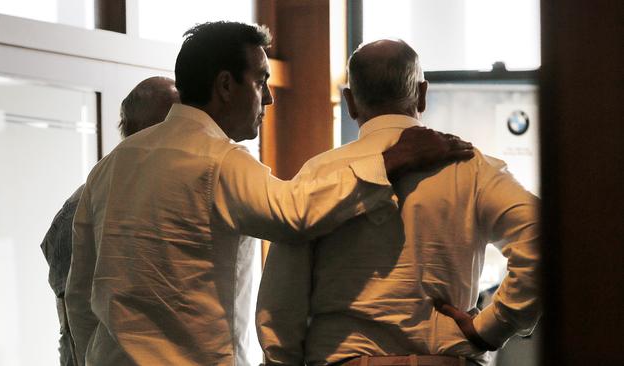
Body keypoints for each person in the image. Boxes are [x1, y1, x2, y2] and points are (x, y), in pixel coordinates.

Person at [65, 23, 473, 366]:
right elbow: (296, 215)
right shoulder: (219, 161)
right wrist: (390, 161)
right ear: (226, 85)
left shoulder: (110, 166)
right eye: (261, 81)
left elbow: (80, 291)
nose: (269, 98)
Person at [256, 39, 540, 366]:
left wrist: (281, 361)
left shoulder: (318, 175)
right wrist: (492, 327)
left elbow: (282, 298)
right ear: (421, 94)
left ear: (350, 101)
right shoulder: (471, 167)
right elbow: (543, 235)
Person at [40, 76, 179, 366]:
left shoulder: (162, 195)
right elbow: (75, 334)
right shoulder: (80, 208)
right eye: (174, 121)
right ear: (145, 129)